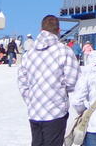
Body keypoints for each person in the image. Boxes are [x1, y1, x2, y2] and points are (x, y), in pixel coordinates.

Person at [17, 14, 80, 146]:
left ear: (41, 30)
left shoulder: (29, 54)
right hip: (55, 111)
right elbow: (73, 80)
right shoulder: (64, 51)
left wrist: (31, 99)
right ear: (58, 30)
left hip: (35, 111)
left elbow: (22, 82)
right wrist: (60, 91)